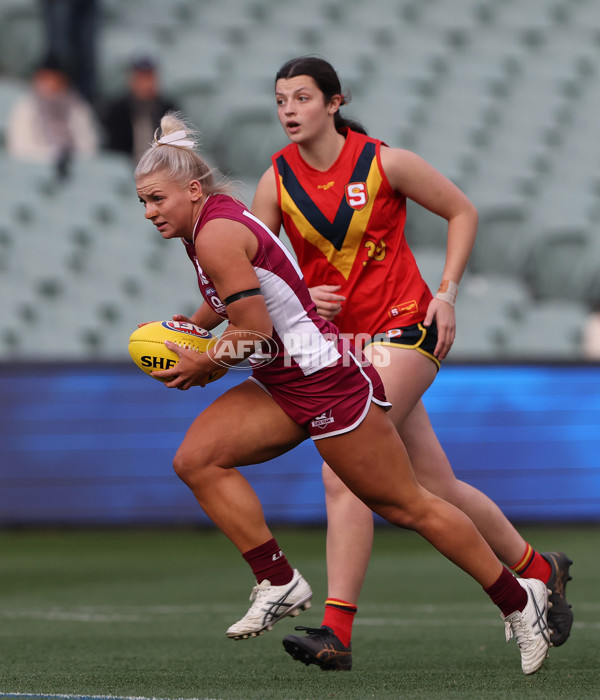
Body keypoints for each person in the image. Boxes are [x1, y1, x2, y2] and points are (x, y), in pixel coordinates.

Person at [134, 111, 551, 676]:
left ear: (192, 189)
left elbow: (253, 330)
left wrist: (203, 362)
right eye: (143, 202)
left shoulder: (213, 235)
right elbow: (241, 307)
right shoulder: (207, 227)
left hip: (325, 380)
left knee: (412, 506)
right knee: (197, 459)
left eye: (157, 199)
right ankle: (278, 580)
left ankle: (519, 598)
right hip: (282, 381)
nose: (150, 212)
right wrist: (198, 329)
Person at [251, 56, 573, 671]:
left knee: (343, 466)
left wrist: (446, 293)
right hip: (344, 352)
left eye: (301, 97)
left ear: (334, 102)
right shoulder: (275, 181)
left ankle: (337, 633)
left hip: (407, 329)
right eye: (280, 100)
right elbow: (261, 270)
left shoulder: (383, 162)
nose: (289, 109)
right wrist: (294, 292)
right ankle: (539, 569)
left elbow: (463, 211)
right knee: (433, 486)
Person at [5, 53, 99, 177]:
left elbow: (90, 146)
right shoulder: (25, 106)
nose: (49, 84)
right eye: (44, 78)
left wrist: (67, 159)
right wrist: (54, 156)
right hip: (32, 175)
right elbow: (19, 148)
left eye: (54, 79)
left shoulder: (77, 106)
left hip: (76, 174)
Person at [102, 55, 178, 163]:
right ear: (131, 80)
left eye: (149, 78)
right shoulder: (117, 111)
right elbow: (114, 150)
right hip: (126, 169)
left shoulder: (168, 110)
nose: (146, 84)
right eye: (141, 78)